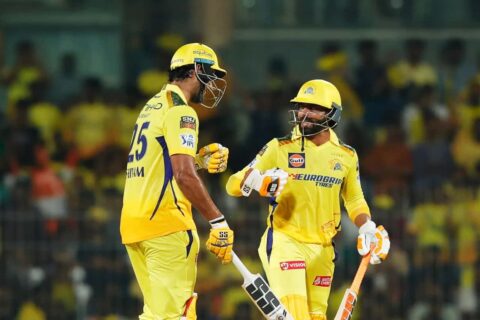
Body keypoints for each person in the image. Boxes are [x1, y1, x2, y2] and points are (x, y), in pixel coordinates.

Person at [226, 79, 391, 319]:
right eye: (301, 106)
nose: (303, 113)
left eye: (313, 108)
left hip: (323, 250)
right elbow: (233, 184)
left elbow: (354, 200)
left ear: (331, 114)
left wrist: (366, 226)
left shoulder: (346, 155)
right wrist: (256, 182)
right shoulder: (279, 148)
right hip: (286, 243)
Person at [120, 42, 234, 319]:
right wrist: (217, 220)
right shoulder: (182, 111)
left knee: (156, 315)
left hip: (135, 226)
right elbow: (182, 175)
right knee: (173, 316)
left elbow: (158, 164)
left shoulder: (152, 106)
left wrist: (197, 162)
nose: (212, 85)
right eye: (211, 75)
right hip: (167, 226)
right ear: (197, 70)